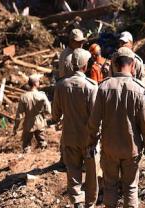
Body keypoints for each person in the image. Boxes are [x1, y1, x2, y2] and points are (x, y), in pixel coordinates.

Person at [87, 47, 145, 208]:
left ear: (115, 64)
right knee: (131, 188)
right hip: (132, 148)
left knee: (110, 186)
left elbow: (94, 122)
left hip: (109, 148)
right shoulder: (139, 89)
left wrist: (91, 141)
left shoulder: (103, 87)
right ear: (132, 66)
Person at [52, 48, 99, 208]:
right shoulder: (92, 86)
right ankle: (90, 204)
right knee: (91, 173)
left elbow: (55, 115)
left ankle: (77, 202)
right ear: (85, 66)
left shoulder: (60, 85)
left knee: (73, 171)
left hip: (69, 137)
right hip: (88, 138)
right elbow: (96, 116)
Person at [13, 74, 51, 153]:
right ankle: (43, 159)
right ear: (35, 83)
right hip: (40, 122)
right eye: (38, 81)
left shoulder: (23, 97)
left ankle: (26, 161)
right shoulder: (42, 95)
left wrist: (16, 127)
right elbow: (48, 110)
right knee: (43, 143)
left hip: (28, 124)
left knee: (26, 146)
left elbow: (19, 115)